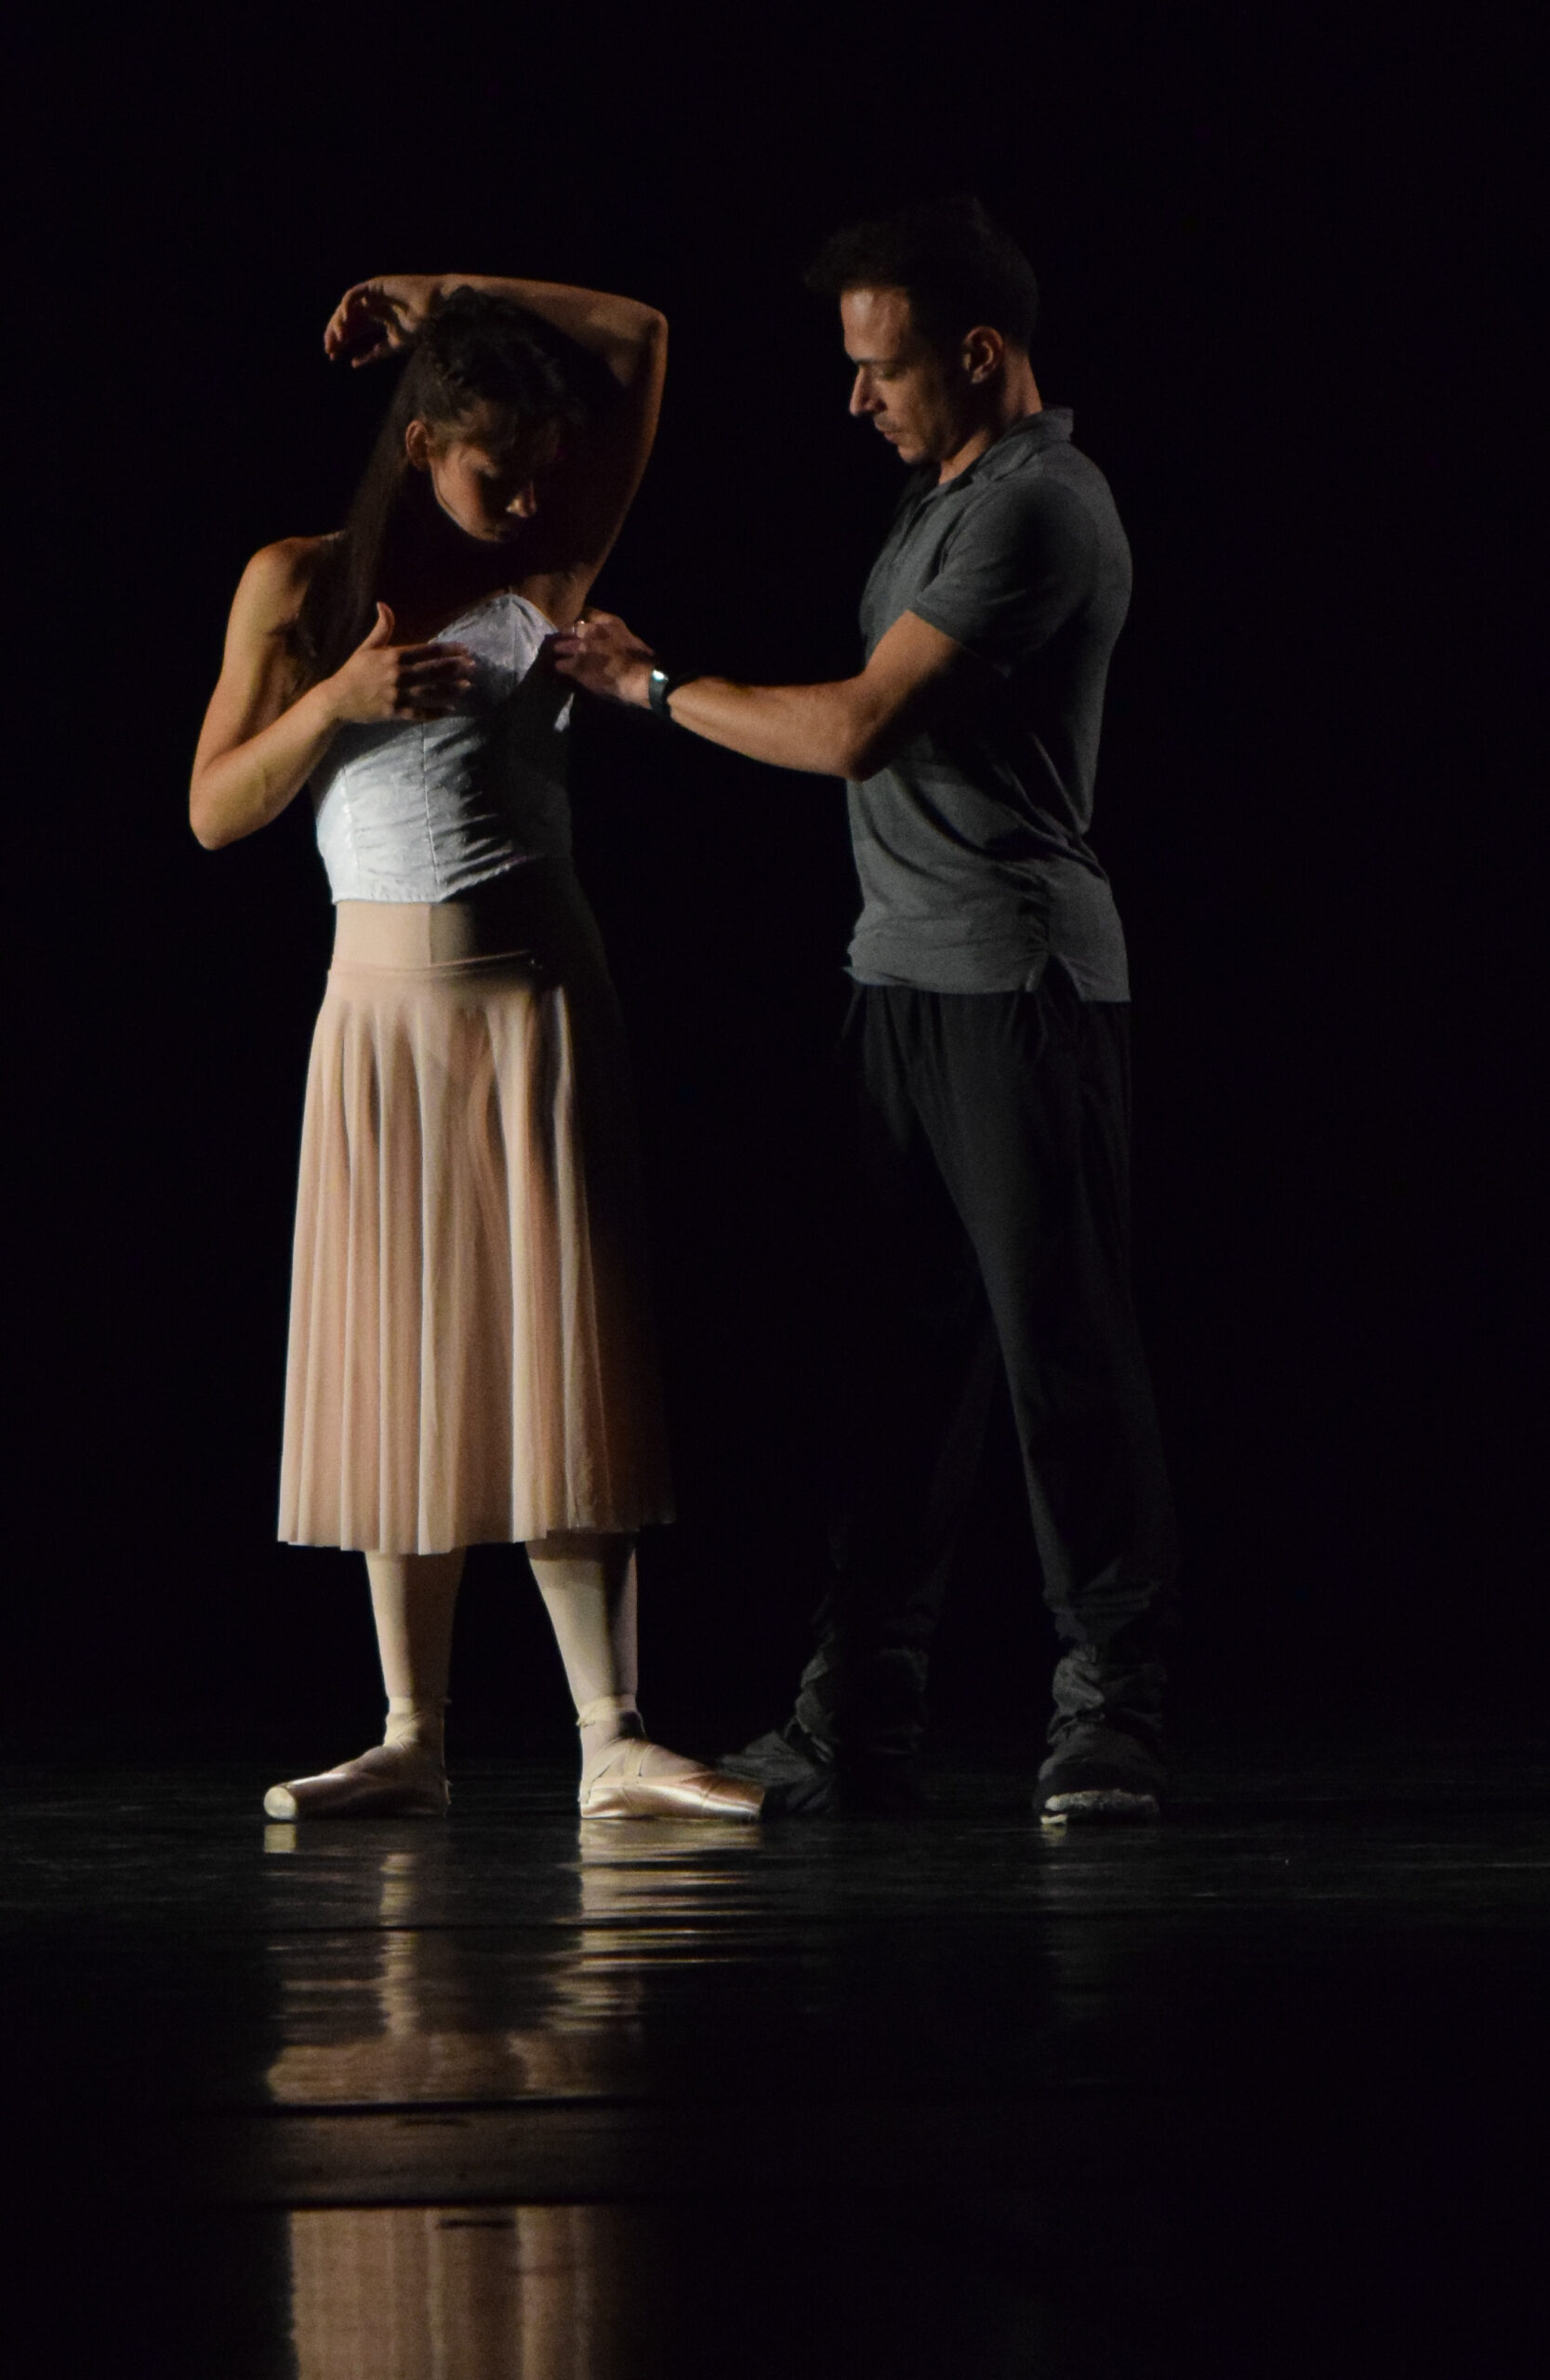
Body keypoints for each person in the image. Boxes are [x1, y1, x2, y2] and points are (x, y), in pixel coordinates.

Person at [553, 198, 1177, 1824]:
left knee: (1059, 1362)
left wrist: (650, 688)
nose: (857, 399)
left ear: (978, 351)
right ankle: (857, 1720)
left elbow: (856, 732)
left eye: (882, 368)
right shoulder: (936, 500)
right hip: (894, 980)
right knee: (893, 1378)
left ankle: (1111, 1714)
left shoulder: (1040, 508)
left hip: (1019, 984)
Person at [190, 268, 762, 1823]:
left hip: (536, 1005)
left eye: (540, 472)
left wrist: (433, 291)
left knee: (559, 1343)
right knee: (401, 1352)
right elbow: (214, 810)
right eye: (495, 469)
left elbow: (642, 335)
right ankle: (411, 1734)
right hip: (378, 1022)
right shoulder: (303, 583)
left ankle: (610, 1735)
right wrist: (339, 702)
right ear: (422, 442)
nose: (524, 499)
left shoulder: (554, 569)